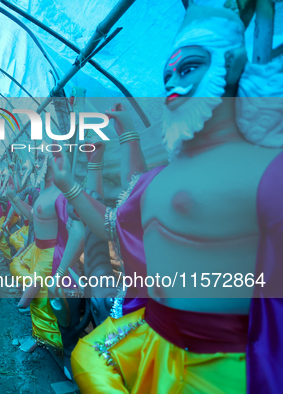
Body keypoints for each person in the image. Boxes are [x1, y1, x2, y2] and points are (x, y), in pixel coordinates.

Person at [57, 4, 283, 393]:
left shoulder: (266, 170)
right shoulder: (159, 179)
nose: (173, 84)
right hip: (151, 330)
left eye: (189, 67)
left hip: (220, 360)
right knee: (87, 357)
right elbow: (114, 223)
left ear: (229, 67)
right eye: (168, 76)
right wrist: (67, 184)